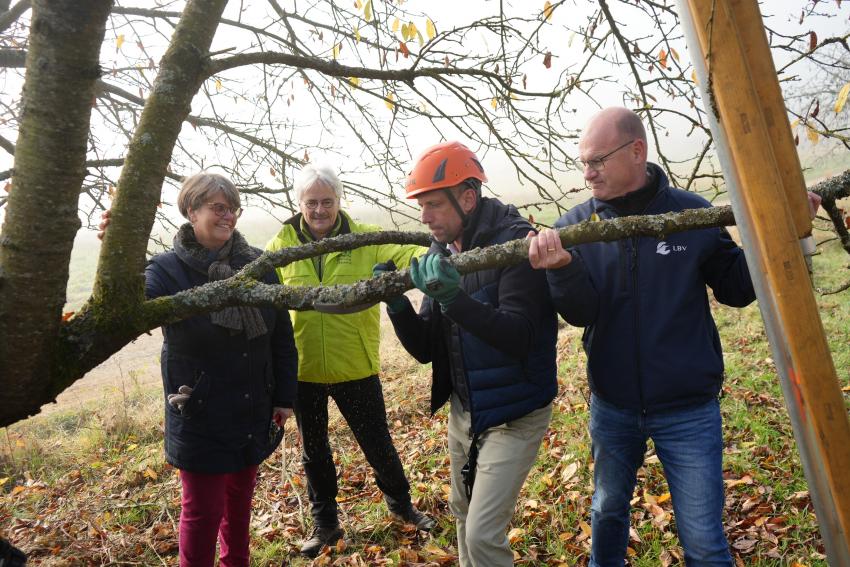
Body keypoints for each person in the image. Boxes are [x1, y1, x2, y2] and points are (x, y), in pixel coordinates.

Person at [527, 107, 812, 566]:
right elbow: (580, 314)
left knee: (703, 539)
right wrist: (560, 268)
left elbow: (737, 289)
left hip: (689, 410)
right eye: (583, 162)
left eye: (597, 160)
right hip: (614, 406)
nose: (587, 173)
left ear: (636, 151)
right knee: (607, 510)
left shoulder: (690, 215)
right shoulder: (575, 228)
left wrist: (780, 232)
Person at [377, 141, 558, 567]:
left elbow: (521, 336)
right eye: (421, 206)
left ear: (468, 199)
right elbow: (427, 349)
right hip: (466, 410)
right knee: (462, 513)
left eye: (434, 204)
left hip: (514, 412)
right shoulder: (441, 251)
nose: (425, 217)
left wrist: (454, 300)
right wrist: (398, 306)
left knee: (482, 534)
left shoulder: (516, 243)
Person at [265, 164, 433, 558]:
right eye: (312, 202)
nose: (319, 210)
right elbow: (256, 284)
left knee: (377, 443)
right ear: (299, 203)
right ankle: (325, 525)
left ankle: (402, 507)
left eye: (327, 201)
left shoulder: (364, 239)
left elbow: (413, 251)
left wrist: (432, 259)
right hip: (304, 371)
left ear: (339, 201)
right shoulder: (282, 245)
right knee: (314, 452)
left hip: (355, 365)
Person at [144, 172, 299, 567]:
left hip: (252, 407)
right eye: (218, 207)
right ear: (191, 211)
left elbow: (282, 335)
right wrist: (120, 252)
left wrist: (283, 397)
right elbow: (131, 304)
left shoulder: (259, 264)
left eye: (233, 209)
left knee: (239, 506)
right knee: (203, 514)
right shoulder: (166, 270)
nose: (228, 216)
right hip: (200, 413)